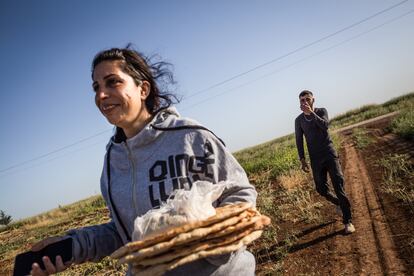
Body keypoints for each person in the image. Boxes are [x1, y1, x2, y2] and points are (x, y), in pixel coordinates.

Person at [30, 46, 257, 275]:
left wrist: (210, 237)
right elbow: (124, 232)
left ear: (143, 89)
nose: (100, 95)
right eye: (96, 87)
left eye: (113, 82)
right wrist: (73, 246)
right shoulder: (111, 164)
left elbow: (239, 193)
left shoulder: (190, 137)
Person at [294, 90, 355, 234]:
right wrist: (302, 160)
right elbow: (298, 140)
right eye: (302, 100)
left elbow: (325, 126)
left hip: (329, 154)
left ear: (313, 100)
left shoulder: (321, 111)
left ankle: (348, 222)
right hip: (315, 158)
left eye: (307, 99)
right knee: (321, 189)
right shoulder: (299, 120)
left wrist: (312, 114)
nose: (305, 102)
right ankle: (339, 203)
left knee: (338, 186)